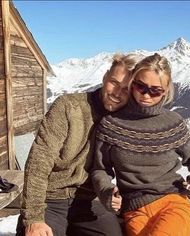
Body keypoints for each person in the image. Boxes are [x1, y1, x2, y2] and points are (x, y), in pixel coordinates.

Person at [16, 53, 138, 236]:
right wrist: (34, 218)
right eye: (114, 82)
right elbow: (39, 161)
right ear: (105, 77)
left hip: (90, 201)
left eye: (126, 89)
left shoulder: (125, 122)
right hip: (50, 200)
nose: (117, 93)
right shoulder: (69, 107)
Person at [92, 53, 190, 236]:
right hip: (134, 210)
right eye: (141, 87)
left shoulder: (172, 122)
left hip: (173, 201)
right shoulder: (112, 125)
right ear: (133, 82)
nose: (146, 95)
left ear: (165, 90)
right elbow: (100, 169)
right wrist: (106, 191)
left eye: (155, 90)